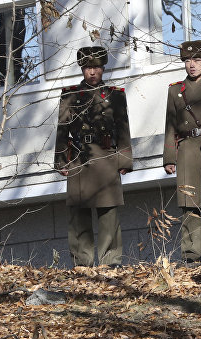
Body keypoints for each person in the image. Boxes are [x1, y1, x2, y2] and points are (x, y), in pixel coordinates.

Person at [54, 46, 133, 267]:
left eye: (96, 67)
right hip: (80, 157)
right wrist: (61, 160)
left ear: (103, 68)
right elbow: (62, 129)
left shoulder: (115, 95)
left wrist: (124, 160)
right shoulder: (70, 95)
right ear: (82, 68)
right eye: (88, 67)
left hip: (107, 156)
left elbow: (123, 128)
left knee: (108, 212)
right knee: (78, 213)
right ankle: (82, 263)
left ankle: (111, 261)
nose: (92, 72)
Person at [163, 40, 201, 264]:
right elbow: (170, 126)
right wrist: (169, 157)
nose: (192, 65)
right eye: (188, 61)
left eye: (198, 60)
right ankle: (191, 255)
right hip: (187, 151)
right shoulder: (176, 91)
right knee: (189, 203)